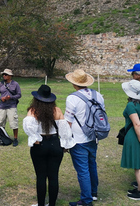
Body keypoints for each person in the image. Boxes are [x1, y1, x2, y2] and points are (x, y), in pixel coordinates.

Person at [23, 85, 75, 206]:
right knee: (53, 176)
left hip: (40, 145)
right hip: (54, 143)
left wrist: (35, 138)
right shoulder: (57, 110)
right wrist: (65, 144)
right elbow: (65, 130)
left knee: (41, 176)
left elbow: (28, 126)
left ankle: (41, 204)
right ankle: (52, 204)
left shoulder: (33, 110)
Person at [64, 69, 106, 206]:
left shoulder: (72, 98)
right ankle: (93, 193)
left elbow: (68, 121)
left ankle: (86, 200)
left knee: (82, 170)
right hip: (93, 136)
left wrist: (65, 140)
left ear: (73, 83)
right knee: (91, 165)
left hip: (78, 139)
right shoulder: (97, 95)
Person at [0, 69, 21, 146]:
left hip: (12, 106)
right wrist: (0, 98)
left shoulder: (15, 84)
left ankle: (15, 139)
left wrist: (11, 97)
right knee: (0, 122)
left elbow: (19, 95)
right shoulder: (0, 84)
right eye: (3, 74)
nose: (4, 76)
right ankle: (1, 138)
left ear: (10, 76)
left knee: (13, 123)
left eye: (6, 74)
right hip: (2, 106)